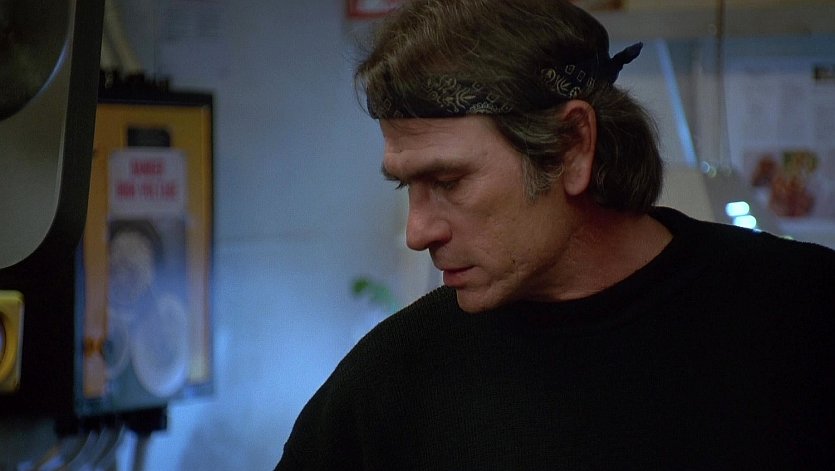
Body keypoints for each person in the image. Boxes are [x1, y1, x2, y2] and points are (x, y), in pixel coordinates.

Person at [275, 0, 835, 468]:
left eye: (448, 181)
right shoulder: (390, 383)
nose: (418, 232)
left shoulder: (804, 313)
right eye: (407, 185)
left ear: (572, 147)